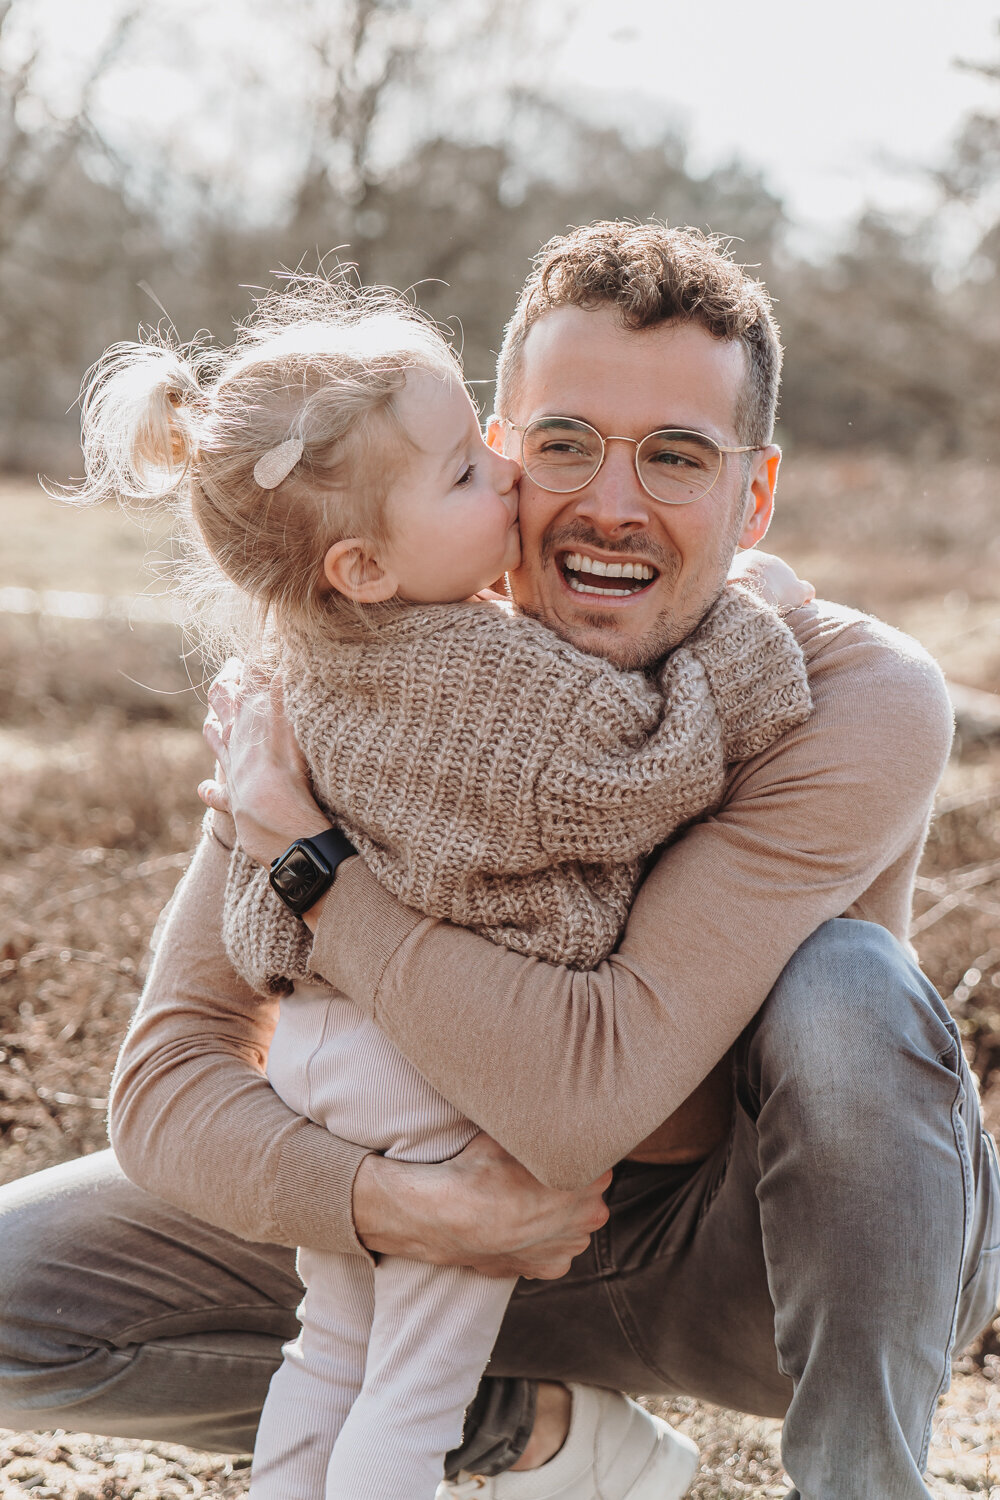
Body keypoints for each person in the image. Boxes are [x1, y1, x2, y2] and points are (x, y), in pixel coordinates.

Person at [0, 220, 995, 1500]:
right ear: (496, 450)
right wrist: (389, 1206)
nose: (611, 503)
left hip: (743, 1266)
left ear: (754, 497)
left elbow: (585, 1098)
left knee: (848, 986)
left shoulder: (850, 689)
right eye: (563, 443)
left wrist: (315, 869)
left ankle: (862, 1480)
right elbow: (168, 1079)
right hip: (450, 1230)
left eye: (676, 457)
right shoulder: (354, 667)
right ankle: (533, 1436)